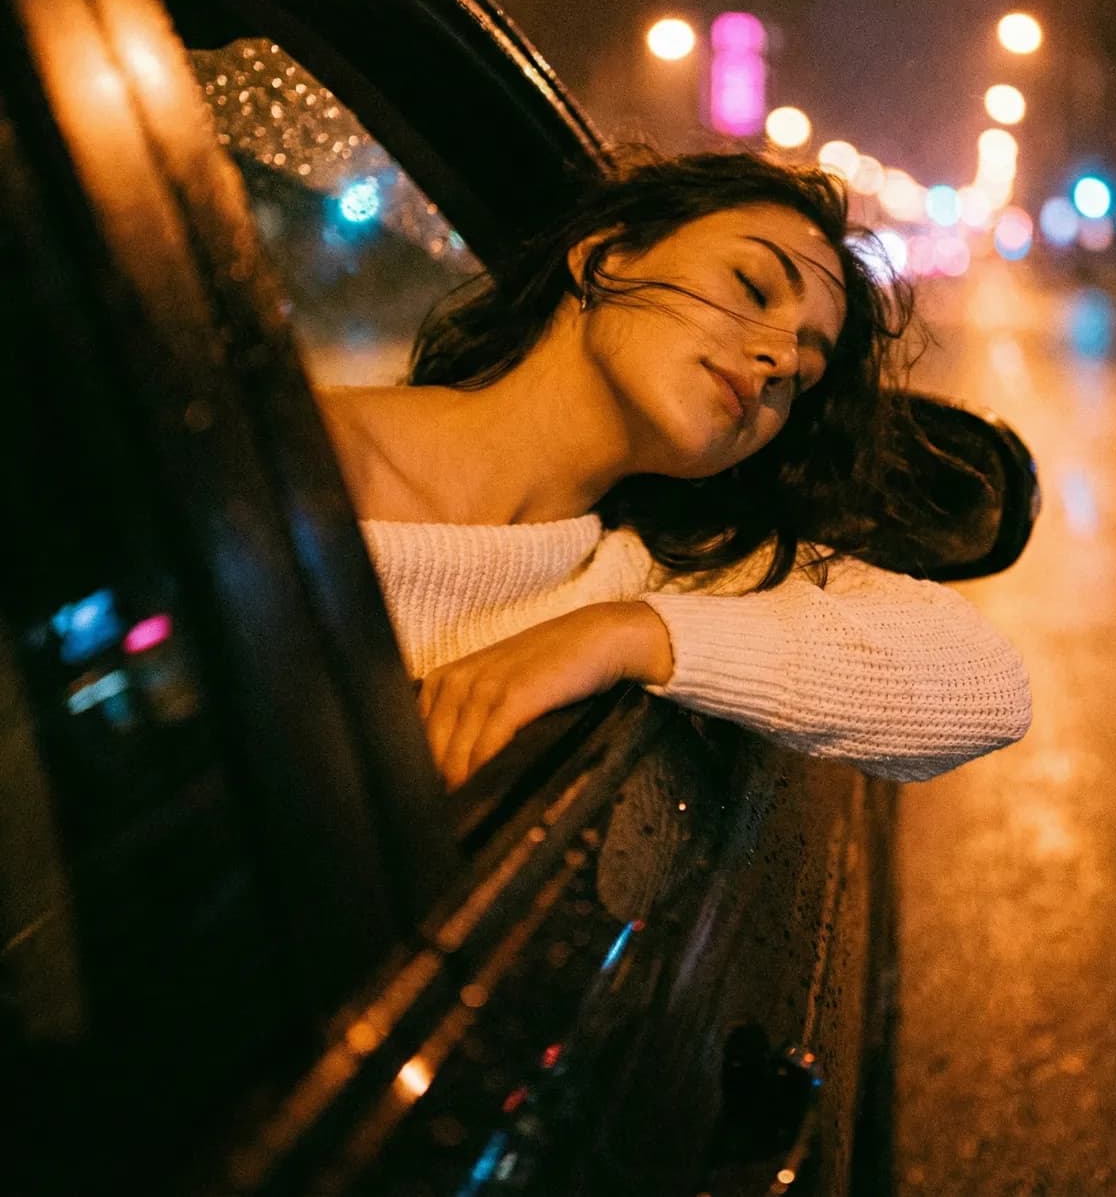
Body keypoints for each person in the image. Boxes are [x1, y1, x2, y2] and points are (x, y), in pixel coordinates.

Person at [318, 147, 1030, 792]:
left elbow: (986, 685)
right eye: (753, 287)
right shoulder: (285, 451)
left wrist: (624, 633)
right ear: (605, 254)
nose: (780, 358)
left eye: (803, 373)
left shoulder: (655, 568)